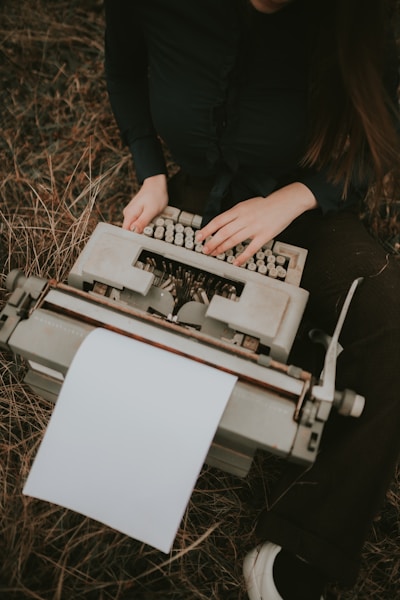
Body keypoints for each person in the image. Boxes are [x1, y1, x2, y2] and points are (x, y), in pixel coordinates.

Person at [103, 1, 400, 598]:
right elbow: (125, 68)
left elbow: (382, 119)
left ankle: (299, 548)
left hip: (299, 209)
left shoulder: (356, 15)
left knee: (389, 316)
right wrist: (150, 170)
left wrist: (298, 197)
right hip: (188, 200)